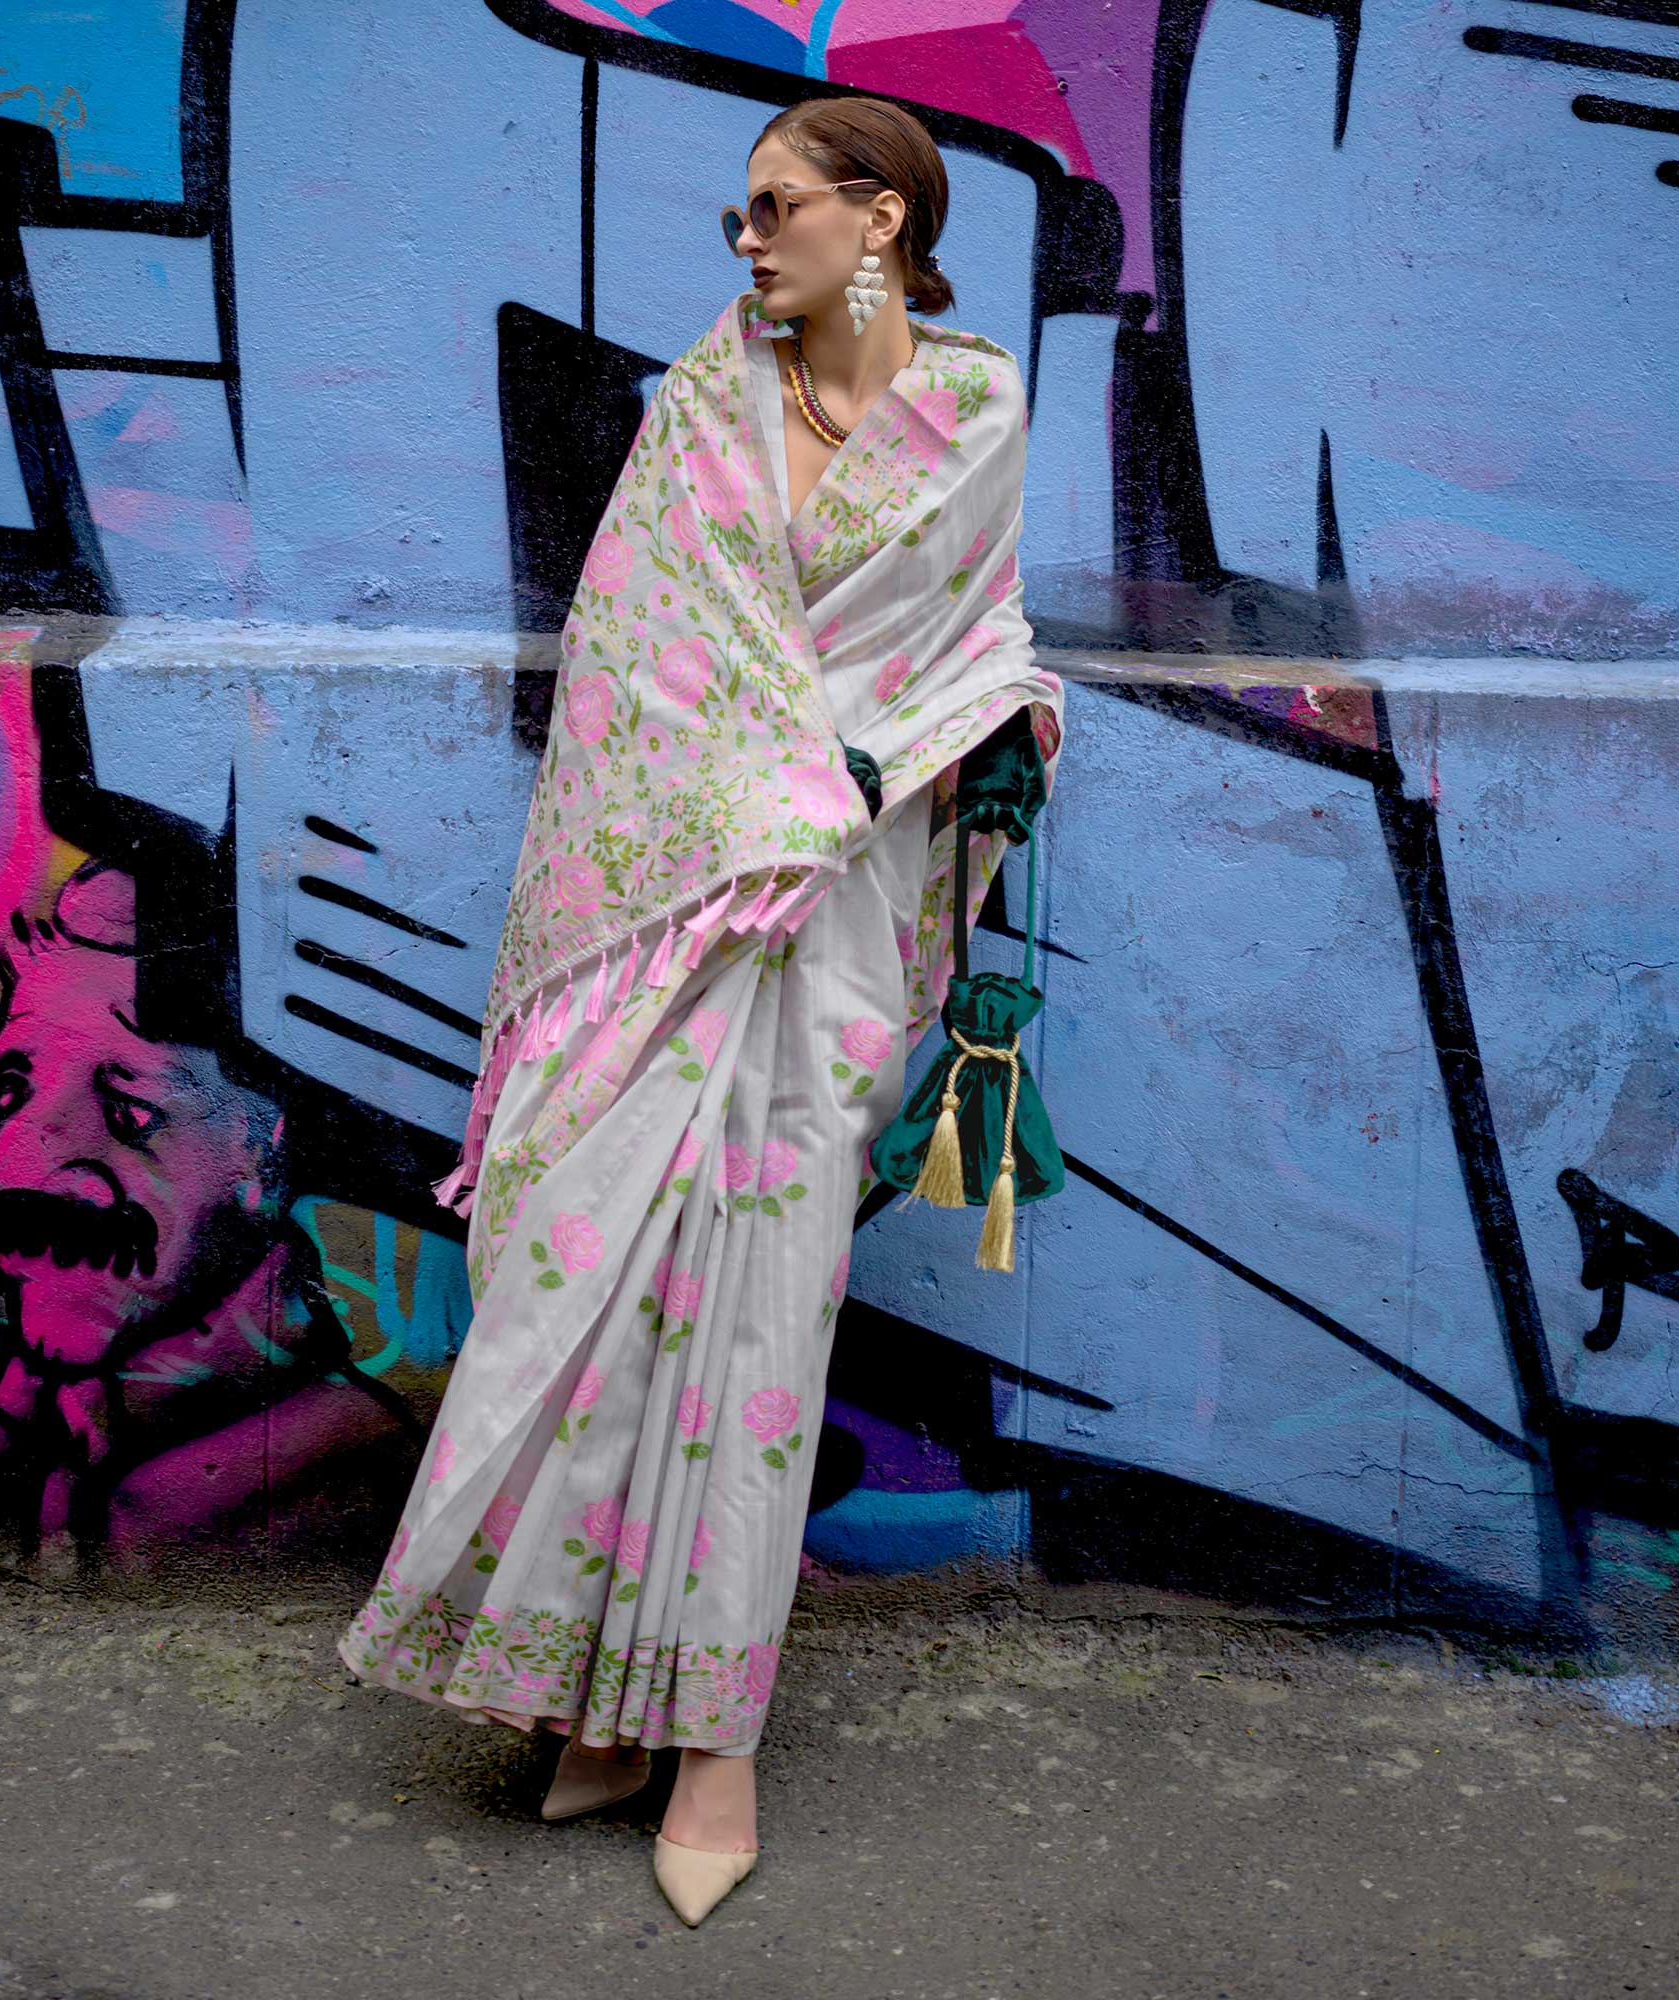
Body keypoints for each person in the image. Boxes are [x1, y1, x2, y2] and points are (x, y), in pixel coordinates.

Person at [336, 94, 1062, 1927]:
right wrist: (766, 795)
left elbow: (962, 643)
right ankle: (593, 1695)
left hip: (835, 922)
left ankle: (713, 1738)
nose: (747, 243)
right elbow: (625, 667)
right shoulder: (692, 412)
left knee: (752, 1333)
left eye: (777, 208)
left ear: (879, 217)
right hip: (672, 910)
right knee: (590, 1286)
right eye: (740, 215)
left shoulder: (970, 403)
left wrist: (970, 723)